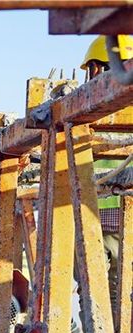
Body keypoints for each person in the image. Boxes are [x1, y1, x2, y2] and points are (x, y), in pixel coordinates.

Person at [81, 34, 133, 314]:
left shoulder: (90, 110)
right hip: (111, 213)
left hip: (99, 212)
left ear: (97, 68)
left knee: (99, 290)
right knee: (114, 289)